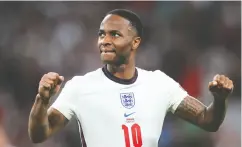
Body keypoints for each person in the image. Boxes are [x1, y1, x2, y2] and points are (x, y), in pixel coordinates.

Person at [28, 9, 234, 147]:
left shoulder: (159, 84)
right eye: (101, 34)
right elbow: (38, 135)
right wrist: (42, 100)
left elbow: (208, 121)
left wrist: (219, 99)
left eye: (114, 35)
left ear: (135, 42)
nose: (104, 41)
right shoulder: (80, 87)